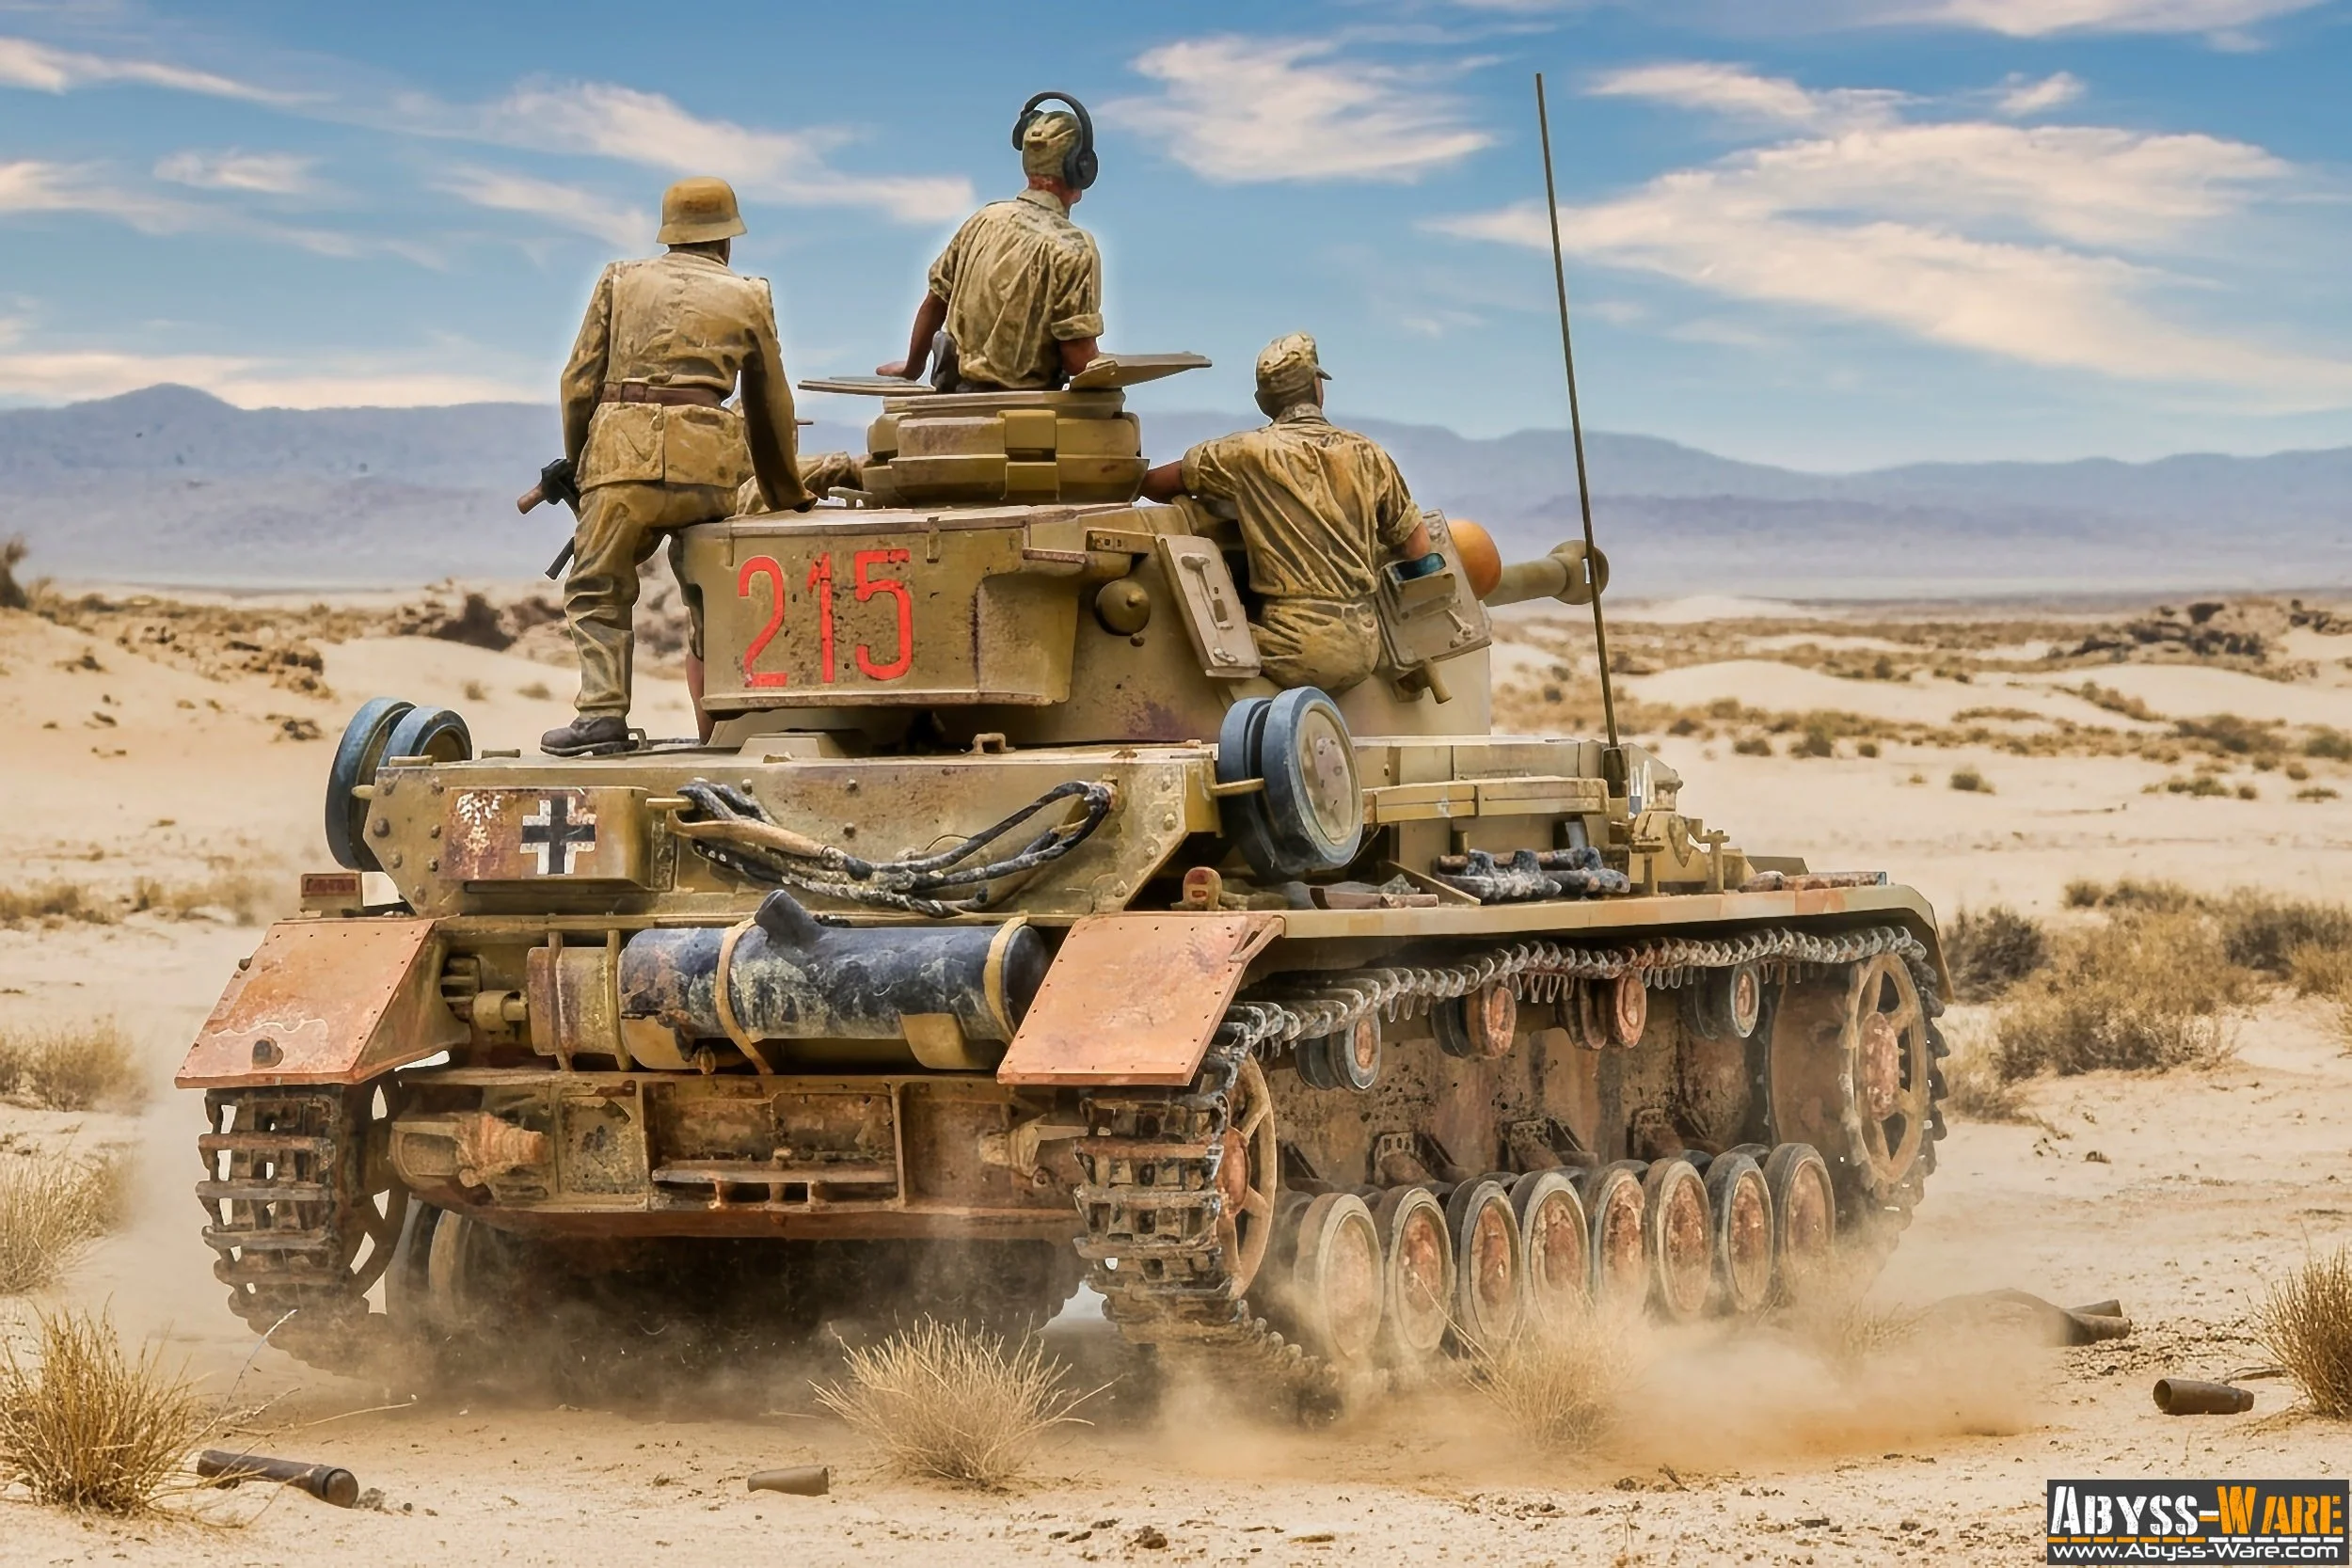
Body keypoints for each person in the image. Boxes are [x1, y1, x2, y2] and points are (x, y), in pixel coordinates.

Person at [542, 176, 811, 757]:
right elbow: (770, 403)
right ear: (727, 240)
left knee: (597, 585)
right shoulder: (750, 294)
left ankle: (601, 714)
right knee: (712, 591)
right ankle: (732, 715)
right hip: (709, 468)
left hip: (621, 458)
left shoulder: (620, 279)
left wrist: (583, 463)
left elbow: (578, 381)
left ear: (669, 235)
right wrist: (785, 492)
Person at [1141, 333, 1436, 694]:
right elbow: (1419, 549)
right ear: (1317, 387)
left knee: (1182, 633)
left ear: (1262, 401)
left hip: (1295, 647)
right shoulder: (1368, 454)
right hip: (1364, 644)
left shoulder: (1242, 453)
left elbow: (1155, 485)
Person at [876, 92, 1104, 392]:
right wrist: (1113, 370)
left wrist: (912, 367)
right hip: (1025, 404)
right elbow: (1077, 358)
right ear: (1080, 168)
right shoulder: (1074, 247)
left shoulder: (983, 220)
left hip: (955, 395)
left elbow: (935, 301)